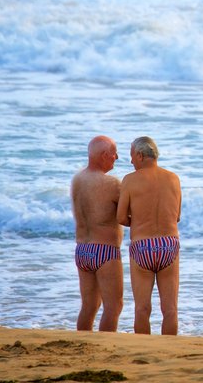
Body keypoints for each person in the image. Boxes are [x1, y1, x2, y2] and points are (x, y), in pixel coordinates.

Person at [117, 136, 182, 335]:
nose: (130, 162)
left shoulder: (129, 180)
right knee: (170, 310)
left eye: (131, 156)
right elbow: (177, 216)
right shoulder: (173, 178)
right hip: (168, 245)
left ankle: (143, 350)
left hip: (142, 246)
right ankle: (169, 353)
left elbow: (121, 217)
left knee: (142, 309)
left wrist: (138, 223)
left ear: (140, 155)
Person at [70, 135, 124, 331]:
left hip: (82, 250)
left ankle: (82, 343)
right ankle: (105, 347)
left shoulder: (77, 179)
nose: (117, 157)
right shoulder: (112, 184)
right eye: (114, 153)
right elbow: (128, 214)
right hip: (105, 251)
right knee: (114, 306)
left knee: (89, 306)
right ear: (104, 155)